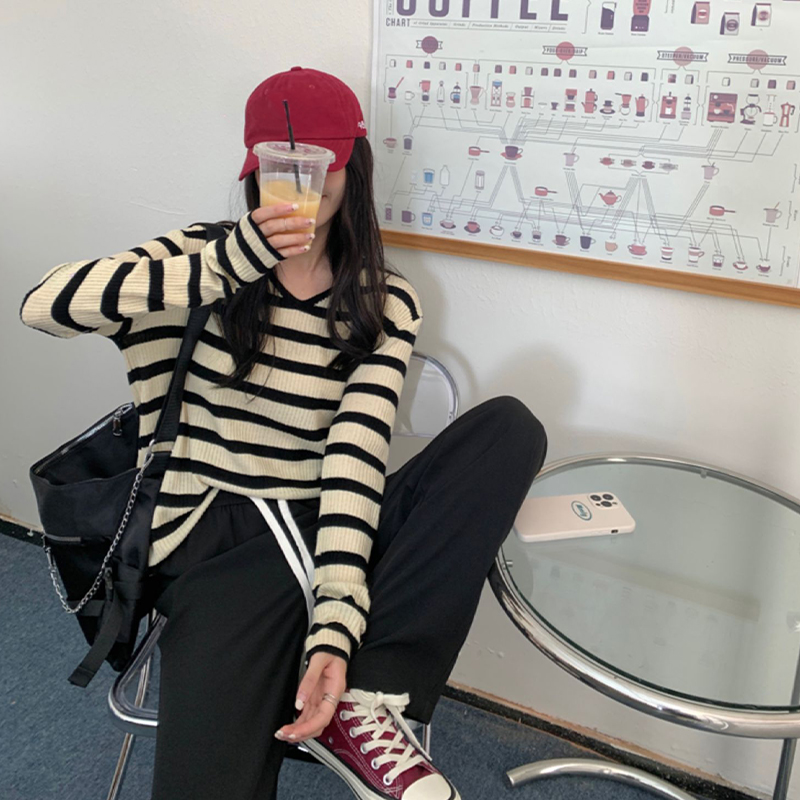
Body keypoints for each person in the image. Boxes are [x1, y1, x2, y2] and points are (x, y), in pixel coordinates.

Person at [19, 66, 548, 800]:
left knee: (508, 431)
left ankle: (367, 695)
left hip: (315, 515)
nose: (305, 182)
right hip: (212, 536)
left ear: (353, 166)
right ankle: (319, 672)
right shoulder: (202, 257)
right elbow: (43, 305)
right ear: (254, 168)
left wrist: (335, 620)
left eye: (323, 162)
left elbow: (354, 458)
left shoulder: (383, 299)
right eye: (283, 164)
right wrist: (225, 266)